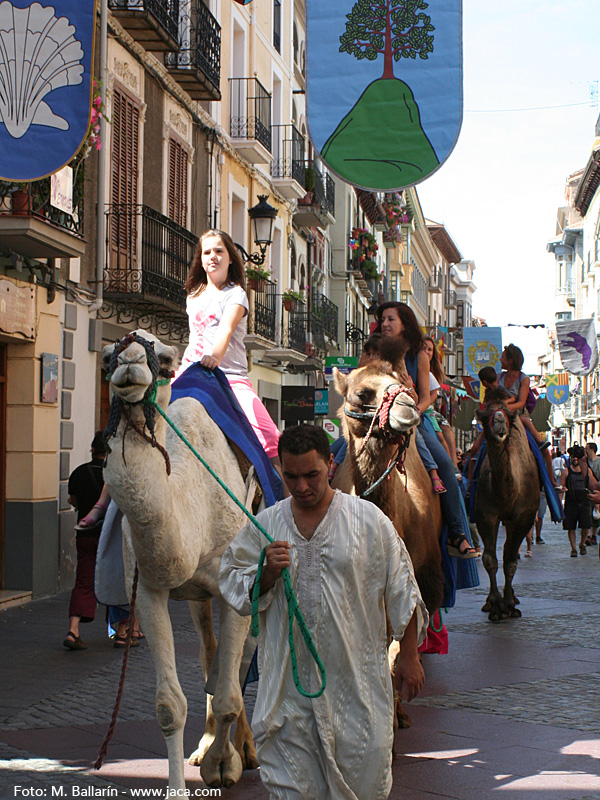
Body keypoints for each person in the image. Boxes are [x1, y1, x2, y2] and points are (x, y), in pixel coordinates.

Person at [219, 424, 428, 800]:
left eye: (311, 475)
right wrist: (265, 572)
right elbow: (232, 583)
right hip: (286, 698)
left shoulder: (369, 522)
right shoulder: (264, 527)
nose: (301, 486)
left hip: (358, 695)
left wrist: (410, 656)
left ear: (330, 464)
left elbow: (403, 587)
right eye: (291, 476)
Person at [173, 229, 284, 482]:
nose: (213, 256)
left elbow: (225, 329)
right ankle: (105, 505)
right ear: (200, 259)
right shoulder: (193, 296)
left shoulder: (236, 294)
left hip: (229, 377)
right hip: (191, 372)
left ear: (231, 258)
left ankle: (286, 502)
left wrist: (214, 358)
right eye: (207, 252)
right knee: (144, 416)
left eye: (219, 251)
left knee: (271, 439)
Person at [374, 301, 477, 558]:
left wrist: (414, 413)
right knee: (337, 452)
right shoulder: (374, 351)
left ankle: (457, 532)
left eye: (390, 319)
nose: (384, 324)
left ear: (404, 324)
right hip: (376, 419)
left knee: (445, 465)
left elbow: (425, 394)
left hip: (411, 419)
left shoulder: (418, 355)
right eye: (382, 320)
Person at [64, 433, 107, 650]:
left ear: (92, 449)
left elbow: (72, 499)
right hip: (109, 537)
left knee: (83, 580)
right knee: (115, 580)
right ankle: (121, 631)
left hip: (85, 534)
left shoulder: (79, 472)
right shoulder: (113, 475)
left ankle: (73, 630)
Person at [560, 444, 599, 557]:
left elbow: (594, 486)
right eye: (573, 457)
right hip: (571, 502)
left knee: (586, 526)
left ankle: (582, 543)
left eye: (577, 457)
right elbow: (561, 488)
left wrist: (596, 502)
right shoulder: (566, 472)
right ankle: (573, 548)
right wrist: (559, 503)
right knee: (571, 526)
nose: (575, 459)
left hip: (585, 501)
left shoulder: (587, 471)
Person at [585, 442, 600, 545]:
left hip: (598, 489)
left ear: (591, 449)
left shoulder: (599, 461)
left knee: (596, 513)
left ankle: (593, 534)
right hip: (587, 489)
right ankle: (588, 535)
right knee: (587, 512)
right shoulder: (586, 461)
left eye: (587, 448)